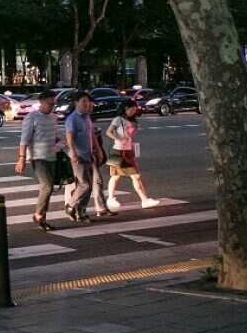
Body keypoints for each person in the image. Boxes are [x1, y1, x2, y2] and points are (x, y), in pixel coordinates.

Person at [16, 89, 63, 231]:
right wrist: (21, 158)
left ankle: (42, 217)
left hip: (52, 157)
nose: (52, 107)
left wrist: (60, 146)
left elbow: (56, 137)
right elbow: (24, 140)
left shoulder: (53, 118)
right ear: (42, 102)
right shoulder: (32, 117)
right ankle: (38, 215)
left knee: (49, 188)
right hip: (38, 157)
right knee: (47, 186)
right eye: (50, 104)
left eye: (54, 104)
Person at [106, 101, 160, 209]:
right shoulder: (118, 119)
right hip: (118, 150)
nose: (133, 111)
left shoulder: (133, 121)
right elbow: (108, 132)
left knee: (134, 176)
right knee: (116, 176)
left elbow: (130, 135)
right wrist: (118, 139)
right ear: (126, 108)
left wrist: (131, 130)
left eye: (135, 110)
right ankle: (111, 198)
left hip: (128, 150)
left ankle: (144, 200)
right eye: (132, 109)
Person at [64, 92, 98, 223]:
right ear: (76, 103)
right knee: (85, 185)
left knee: (87, 185)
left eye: (88, 102)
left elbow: (91, 135)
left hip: (88, 154)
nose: (87, 104)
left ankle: (81, 211)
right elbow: (69, 137)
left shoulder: (86, 117)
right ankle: (71, 205)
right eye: (83, 101)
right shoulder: (72, 119)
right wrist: (73, 153)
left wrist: (97, 150)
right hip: (77, 156)